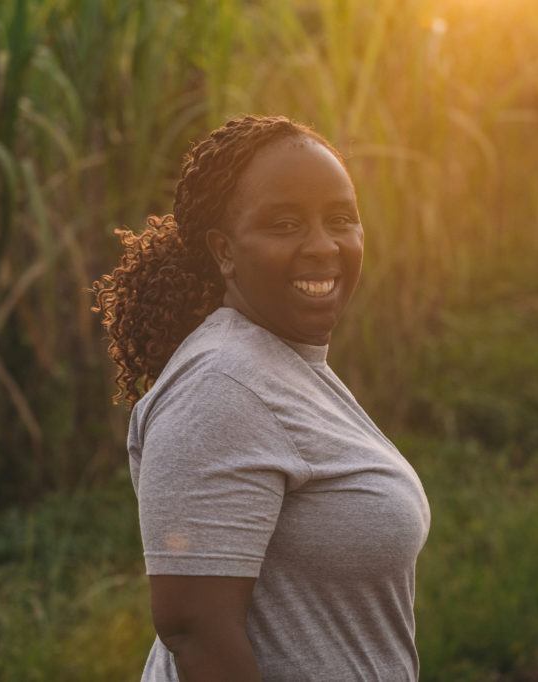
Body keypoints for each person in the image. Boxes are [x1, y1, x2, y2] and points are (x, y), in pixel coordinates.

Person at [93, 114, 431, 681]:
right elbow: (194, 630)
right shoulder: (222, 384)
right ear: (224, 251)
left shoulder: (283, 362)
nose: (323, 246)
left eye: (341, 219)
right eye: (285, 224)